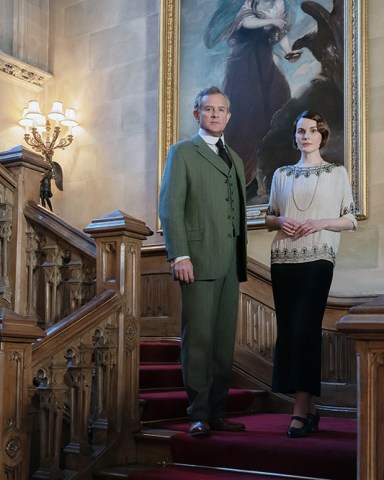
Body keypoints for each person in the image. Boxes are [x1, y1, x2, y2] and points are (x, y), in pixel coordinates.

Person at [158, 86, 248, 437]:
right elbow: (170, 207)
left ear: (228, 116)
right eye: (207, 109)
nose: (215, 114)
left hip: (230, 263)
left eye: (221, 109)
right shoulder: (182, 153)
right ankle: (197, 413)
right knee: (198, 340)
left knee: (223, 341)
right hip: (196, 259)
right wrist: (179, 254)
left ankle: (218, 410)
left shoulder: (236, 159)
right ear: (197, 114)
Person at [265, 110, 356, 438]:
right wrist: (280, 222)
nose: (305, 136)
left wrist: (319, 223)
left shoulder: (337, 173)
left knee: (305, 330)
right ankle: (311, 409)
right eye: (300, 131)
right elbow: (270, 217)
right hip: (283, 260)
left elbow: (350, 219)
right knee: (290, 332)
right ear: (295, 136)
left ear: (322, 136)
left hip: (319, 258)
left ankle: (299, 410)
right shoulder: (282, 174)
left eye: (312, 131)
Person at [204, 0, 302, 200]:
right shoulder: (248, 3)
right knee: (248, 119)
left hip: (264, 64)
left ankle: (272, 174)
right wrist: (275, 21)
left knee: (279, 104)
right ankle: (245, 179)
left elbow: (279, 32)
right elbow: (245, 22)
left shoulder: (278, 4)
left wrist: (288, 51)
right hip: (244, 67)